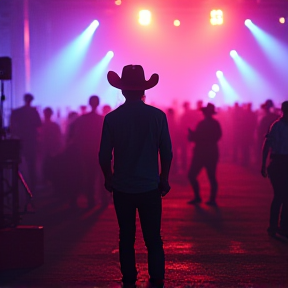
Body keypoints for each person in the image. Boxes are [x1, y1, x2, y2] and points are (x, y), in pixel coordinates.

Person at [99, 65, 173, 288]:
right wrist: (164, 178)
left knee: (126, 237)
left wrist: (108, 178)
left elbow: (104, 156)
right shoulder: (158, 116)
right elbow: (167, 152)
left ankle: (129, 277)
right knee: (153, 238)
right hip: (150, 186)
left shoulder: (112, 119)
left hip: (123, 187)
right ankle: (157, 276)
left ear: (122, 91)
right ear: (144, 91)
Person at [69, 95, 104, 207]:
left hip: (84, 150)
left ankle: (85, 199)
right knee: (98, 175)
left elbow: (74, 136)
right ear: (98, 104)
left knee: (84, 175)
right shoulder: (101, 119)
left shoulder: (82, 119)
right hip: (98, 150)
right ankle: (98, 199)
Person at [261, 100, 288, 239]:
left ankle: (280, 227)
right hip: (279, 162)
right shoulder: (276, 126)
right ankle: (277, 226)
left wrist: (263, 164)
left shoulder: (276, 125)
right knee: (281, 195)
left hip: (278, 162)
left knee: (282, 196)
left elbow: (267, 145)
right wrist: (263, 163)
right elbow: (267, 144)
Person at [187, 103, 222, 206]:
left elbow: (194, 138)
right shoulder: (215, 124)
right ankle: (212, 199)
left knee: (191, 175)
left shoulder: (201, 124)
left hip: (200, 153)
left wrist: (191, 134)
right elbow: (218, 136)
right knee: (211, 177)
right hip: (211, 153)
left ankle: (198, 197)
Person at [10, 93, 42, 192]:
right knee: (31, 164)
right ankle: (32, 185)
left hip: (21, 140)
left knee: (20, 163)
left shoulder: (17, 112)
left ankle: (21, 185)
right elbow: (39, 124)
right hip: (31, 141)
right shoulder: (33, 111)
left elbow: (12, 124)